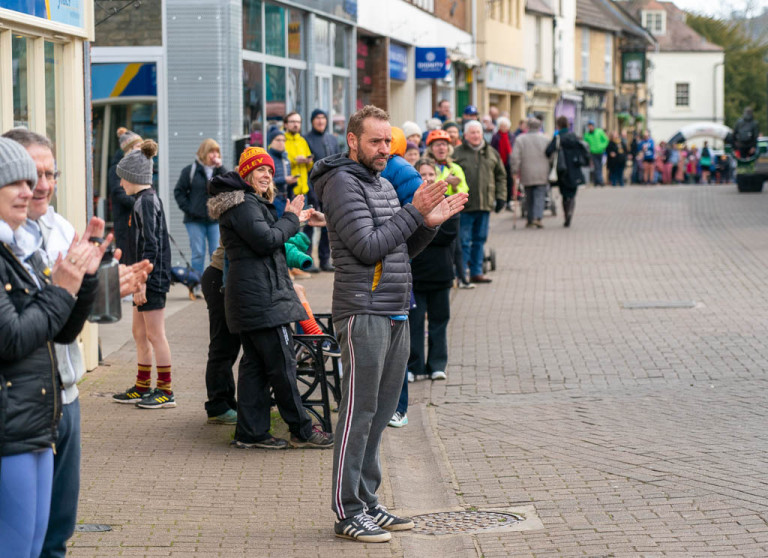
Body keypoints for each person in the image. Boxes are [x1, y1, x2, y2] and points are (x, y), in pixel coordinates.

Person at [311, 105, 468, 543]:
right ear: (353, 142)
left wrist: (428, 224)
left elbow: (396, 249)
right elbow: (366, 247)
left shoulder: (378, 183)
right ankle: (347, 510)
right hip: (362, 311)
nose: (384, 149)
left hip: (396, 307)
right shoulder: (342, 183)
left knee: (380, 413)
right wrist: (415, 211)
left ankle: (368, 499)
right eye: (375, 141)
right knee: (357, 413)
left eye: (388, 142)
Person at [3, 128, 150, 558]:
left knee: (55, 532)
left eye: (50, 174)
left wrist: (100, 287)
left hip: (61, 395)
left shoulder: (58, 228)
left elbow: (65, 326)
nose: (40, 186)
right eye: (27, 177)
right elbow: (15, 334)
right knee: (24, 544)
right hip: (17, 416)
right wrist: (67, 285)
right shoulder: (13, 245)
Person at [0, 136, 106, 558]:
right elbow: (11, 338)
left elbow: (59, 332)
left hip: (37, 421)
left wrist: (84, 280)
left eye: (41, 177)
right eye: (17, 182)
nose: (31, 190)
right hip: (12, 429)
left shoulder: (19, 250)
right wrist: (62, 288)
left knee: (42, 545)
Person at [207, 146, 333, 450]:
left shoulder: (246, 204)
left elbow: (270, 240)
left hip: (255, 299)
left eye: (270, 171)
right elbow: (266, 241)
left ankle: (251, 433)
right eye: (260, 169)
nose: (266, 175)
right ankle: (302, 430)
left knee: (255, 365)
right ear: (247, 173)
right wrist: (290, 218)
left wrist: (293, 221)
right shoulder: (244, 205)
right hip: (260, 301)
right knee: (282, 365)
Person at [113, 140, 176, 409]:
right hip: (145, 277)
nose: (120, 185)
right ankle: (142, 385)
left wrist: (142, 280)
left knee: (155, 334)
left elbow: (150, 244)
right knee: (139, 333)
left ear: (133, 177)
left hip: (152, 278)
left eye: (122, 179)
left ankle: (165, 391)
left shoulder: (147, 202)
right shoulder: (141, 201)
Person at [381, 126, 426, 429]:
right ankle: (391, 407)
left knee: (395, 344)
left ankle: (398, 407)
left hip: (394, 263)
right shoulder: (385, 168)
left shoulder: (397, 169)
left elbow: (414, 217)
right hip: (386, 263)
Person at [407, 158, 459, 388]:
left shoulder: (447, 202)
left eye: (430, 174)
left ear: (437, 176)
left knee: (439, 320)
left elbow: (449, 233)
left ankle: (438, 365)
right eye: (422, 174)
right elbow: (406, 234)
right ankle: (415, 366)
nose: (427, 178)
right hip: (416, 274)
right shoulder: (410, 204)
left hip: (441, 272)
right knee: (415, 322)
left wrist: (425, 229)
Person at [453, 120, 507, 284]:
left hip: (484, 205)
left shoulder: (491, 153)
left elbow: (501, 176)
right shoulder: (456, 153)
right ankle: (461, 274)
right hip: (464, 205)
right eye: (472, 132)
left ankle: (477, 272)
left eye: (478, 132)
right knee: (463, 241)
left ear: (482, 134)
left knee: (480, 240)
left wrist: (501, 197)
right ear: (466, 135)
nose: (476, 135)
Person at [173, 139, 226, 288]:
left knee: (216, 253)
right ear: (204, 152)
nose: (214, 155)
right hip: (194, 220)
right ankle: (197, 286)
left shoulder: (218, 171)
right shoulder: (190, 171)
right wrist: (190, 209)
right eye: (211, 151)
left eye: (216, 151)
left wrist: (220, 167)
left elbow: (230, 184)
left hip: (214, 220)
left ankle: (215, 285)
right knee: (198, 253)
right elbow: (179, 192)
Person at [424, 129, 472, 289]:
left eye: (444, 145)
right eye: (437, 145)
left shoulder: (455, 167)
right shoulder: (427, 167)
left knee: (457, 247)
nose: (441, 148)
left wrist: (456, 185)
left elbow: (464, 190)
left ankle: (461, 278)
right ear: (431, 148)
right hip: (431, 212)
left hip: (451, 213)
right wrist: (445, 183)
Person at [304, 109, 341, 272]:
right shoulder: (306, 139)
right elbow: (306, 169)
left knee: (328, 223)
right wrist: (310, 189)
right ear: (312, 121)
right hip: (311, 187)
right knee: (310, 224)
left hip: (330, 188)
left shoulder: (332, 139)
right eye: (317, 118)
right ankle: (307, 259)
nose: (320, 121)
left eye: (323, 118)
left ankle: (325, 259)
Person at [546, 116, 588, 227]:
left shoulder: (558, 138)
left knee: (564, 194)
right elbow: (583, 151)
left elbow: (548, 151)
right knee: (572, 194)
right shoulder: (574, 137)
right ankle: (570, 211)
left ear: (558, 125)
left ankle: (566, 214)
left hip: (562, 169)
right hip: (574, 168)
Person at [510, 117, 550, 228]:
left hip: (526, 171)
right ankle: (538, 217)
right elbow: (551, 156)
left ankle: (530, 218)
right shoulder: (545, 139)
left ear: (528, 127)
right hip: (542, 172)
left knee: (529, 196)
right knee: (540, 195)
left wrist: (514, 170)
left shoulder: (520, 139)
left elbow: (515, 157)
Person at [108, 128, 142, 256]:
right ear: (129, 149)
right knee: (128, 258)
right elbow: (118, 193)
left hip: (140, 222)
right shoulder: (116, 169)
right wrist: (139, 204)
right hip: (125, 222)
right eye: (139, 146)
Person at [283, 111, 314, 199]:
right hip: (288, 191)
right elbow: (278, 163)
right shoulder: (281, 140)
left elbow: (309, 167)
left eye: (298, 122)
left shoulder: (302, 141)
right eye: (292, 122)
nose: (296, 124)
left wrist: (308, 162)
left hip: (303, 191)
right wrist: (295, 161)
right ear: (285, 124)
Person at [267, 128, 296, 217]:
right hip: (273, 199)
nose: (281, 143)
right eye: (278, 140)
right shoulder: (268, 158)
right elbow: (267, 181)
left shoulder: (285, 158)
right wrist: (285, 180)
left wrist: (293, 182)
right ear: (271, 142)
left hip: (286, 198)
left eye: (283, 140)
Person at [490, 116, 515, 210]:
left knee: (509, 182)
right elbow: (492, 149)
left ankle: (508, 201)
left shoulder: (511, 136)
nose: (503, 127)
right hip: (498, 162)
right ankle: (499, 200)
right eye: (502, 125)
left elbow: (513, 149)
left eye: (505, 126)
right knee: (498, 181)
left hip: (509, 163)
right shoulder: (495, 136)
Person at [583, 120, 608, 186]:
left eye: (591, 126)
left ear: (593, 126)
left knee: (599, 166)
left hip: (600, 152)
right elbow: (585, 143)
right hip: (593, 152)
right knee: (596, 166)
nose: (590, 127)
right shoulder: (587, 135)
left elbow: (606, 140)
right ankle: (600, 181)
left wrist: (602, 146)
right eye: (589, 126)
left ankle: (597, 181)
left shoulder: (599, 132)